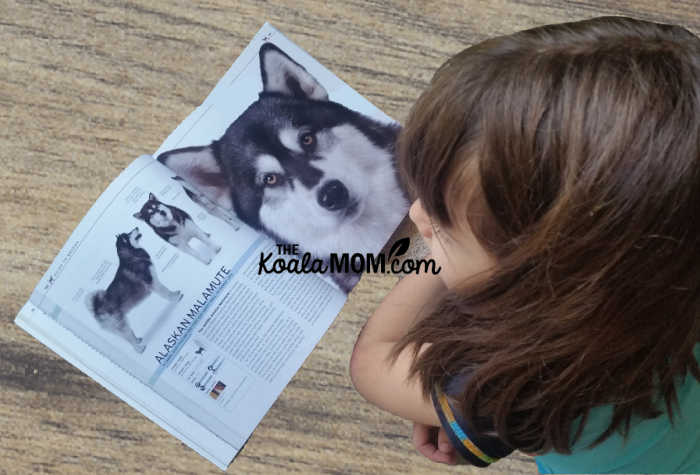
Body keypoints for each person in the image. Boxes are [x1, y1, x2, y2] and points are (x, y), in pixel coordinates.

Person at [349, 16, 700, 473]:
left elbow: (374, 361)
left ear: (546, 286)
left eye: (445, 225)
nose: (417, 216)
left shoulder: (523, 387)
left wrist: (475, 404)